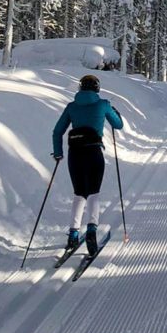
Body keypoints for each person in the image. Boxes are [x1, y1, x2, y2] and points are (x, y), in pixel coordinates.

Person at [52, 74, 124, 255]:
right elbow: (118, 125)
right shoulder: (103, 104)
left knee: (79, 193)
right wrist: (117, 114)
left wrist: (59, 153)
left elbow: (57, 131)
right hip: (94, 153)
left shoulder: (71, 107)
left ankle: (73, 234)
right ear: (97, 88)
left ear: (80, 88)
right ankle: (92, 230)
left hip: (74, 155)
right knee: (93, 193)